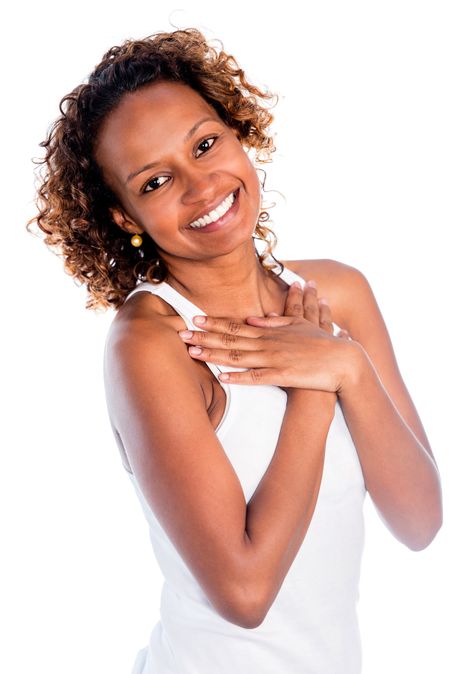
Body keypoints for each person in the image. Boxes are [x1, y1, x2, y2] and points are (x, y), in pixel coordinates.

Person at [27, 27, 443, 674]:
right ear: (125, 217)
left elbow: (419, 523)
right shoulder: (154, 343)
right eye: (158, 180)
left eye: (206, 144)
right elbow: (244, 594)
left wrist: (349, 368)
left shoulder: (337, 293)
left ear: (237, 132)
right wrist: (314, 387)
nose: (201, 186)